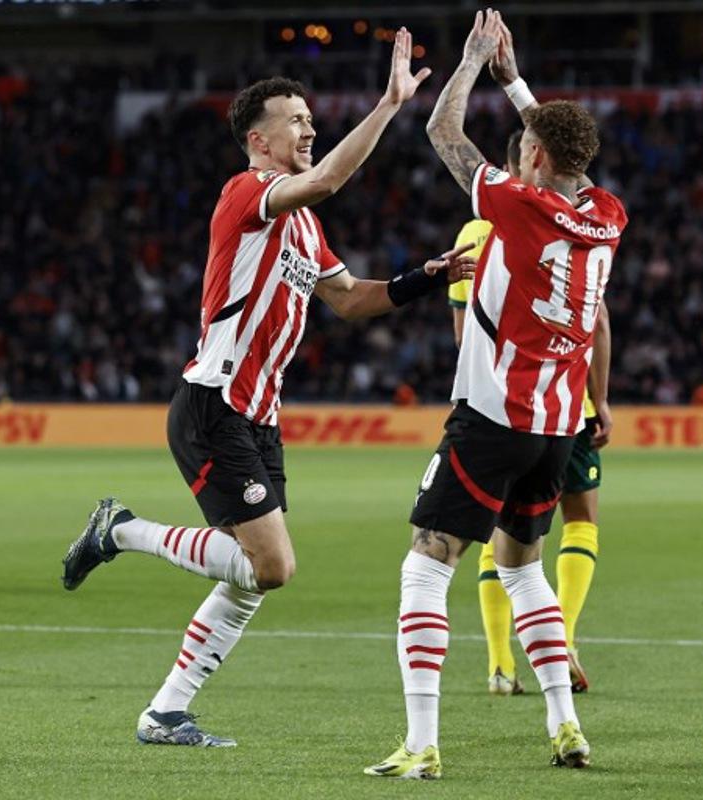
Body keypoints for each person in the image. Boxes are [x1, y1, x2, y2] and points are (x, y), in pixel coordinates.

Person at [60, 29, 475, 748]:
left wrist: (423, 278)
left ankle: (164, 713)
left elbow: (349, 300)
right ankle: (119, 529)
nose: (310, 127)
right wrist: (388, 104)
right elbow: (326, 180)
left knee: (256, 577)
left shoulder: (306, 230)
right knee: (273, 566)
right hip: (212, 404)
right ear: (259, 140)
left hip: (257, 417)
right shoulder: (247, 193)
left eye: (312, 119)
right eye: (297, 120)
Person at [366, 11, 628, 779]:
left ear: (534, 159)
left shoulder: (515, 205)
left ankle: (421, 742)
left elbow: (444, 134)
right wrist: (516, 82)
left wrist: (476, 60)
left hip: (491, 419)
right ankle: (566, 727)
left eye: (526, 150)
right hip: (558, 427)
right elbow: (560, 152)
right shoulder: (608, 216)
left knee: (425, 565)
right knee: (522, 571)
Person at [449, 131, 612, 697]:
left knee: (496, 538)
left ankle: (500, 662)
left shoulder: (478, 228)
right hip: (570, 404)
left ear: (528, 157)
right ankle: (561, 638)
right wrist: (603, 396)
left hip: (501, 403)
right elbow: (599, 320)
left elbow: (463, 324)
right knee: (578, 522)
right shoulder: (594, 218)